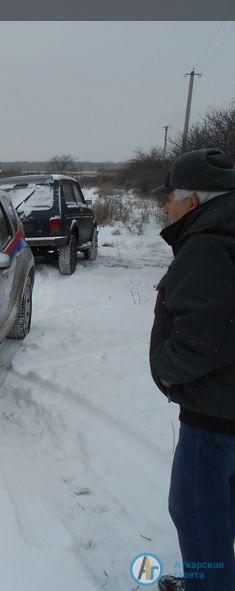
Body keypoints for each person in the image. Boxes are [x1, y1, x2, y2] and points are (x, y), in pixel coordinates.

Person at [149, 149, 235, 591]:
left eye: (172, 198)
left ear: (194, 202)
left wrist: (165, 370)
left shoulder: (206, 245)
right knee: (221, 507)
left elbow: (204, 337)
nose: (167, 207)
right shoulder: (226, 233)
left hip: (214, 411)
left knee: (196, 512)